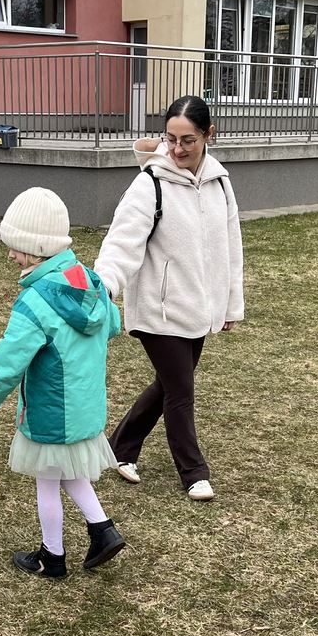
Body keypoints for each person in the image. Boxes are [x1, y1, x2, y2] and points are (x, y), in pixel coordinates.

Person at [0, 188, 126, 579]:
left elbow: (6, 365)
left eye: (16, 248)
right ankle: (103, 530)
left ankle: (52, 557)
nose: (10, 255)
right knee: (68, 472)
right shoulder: (90, 281)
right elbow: (113, 325)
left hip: (51, 411)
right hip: (85, 408)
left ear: (36, 248)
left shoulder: (35, 302)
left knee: (48, 482)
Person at [94, 95, 244, 502]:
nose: (177, 149)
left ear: (209, 134)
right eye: (170, 138)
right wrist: (103, 286)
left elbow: (230, 246)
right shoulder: (150, 183)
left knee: (168, 385)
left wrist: (230, 303)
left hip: (198, 309)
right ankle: (194, 472)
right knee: (181, 391)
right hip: (157, 311)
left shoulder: (220, 182)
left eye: (188, 140)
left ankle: (119, 447)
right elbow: (121, 243)